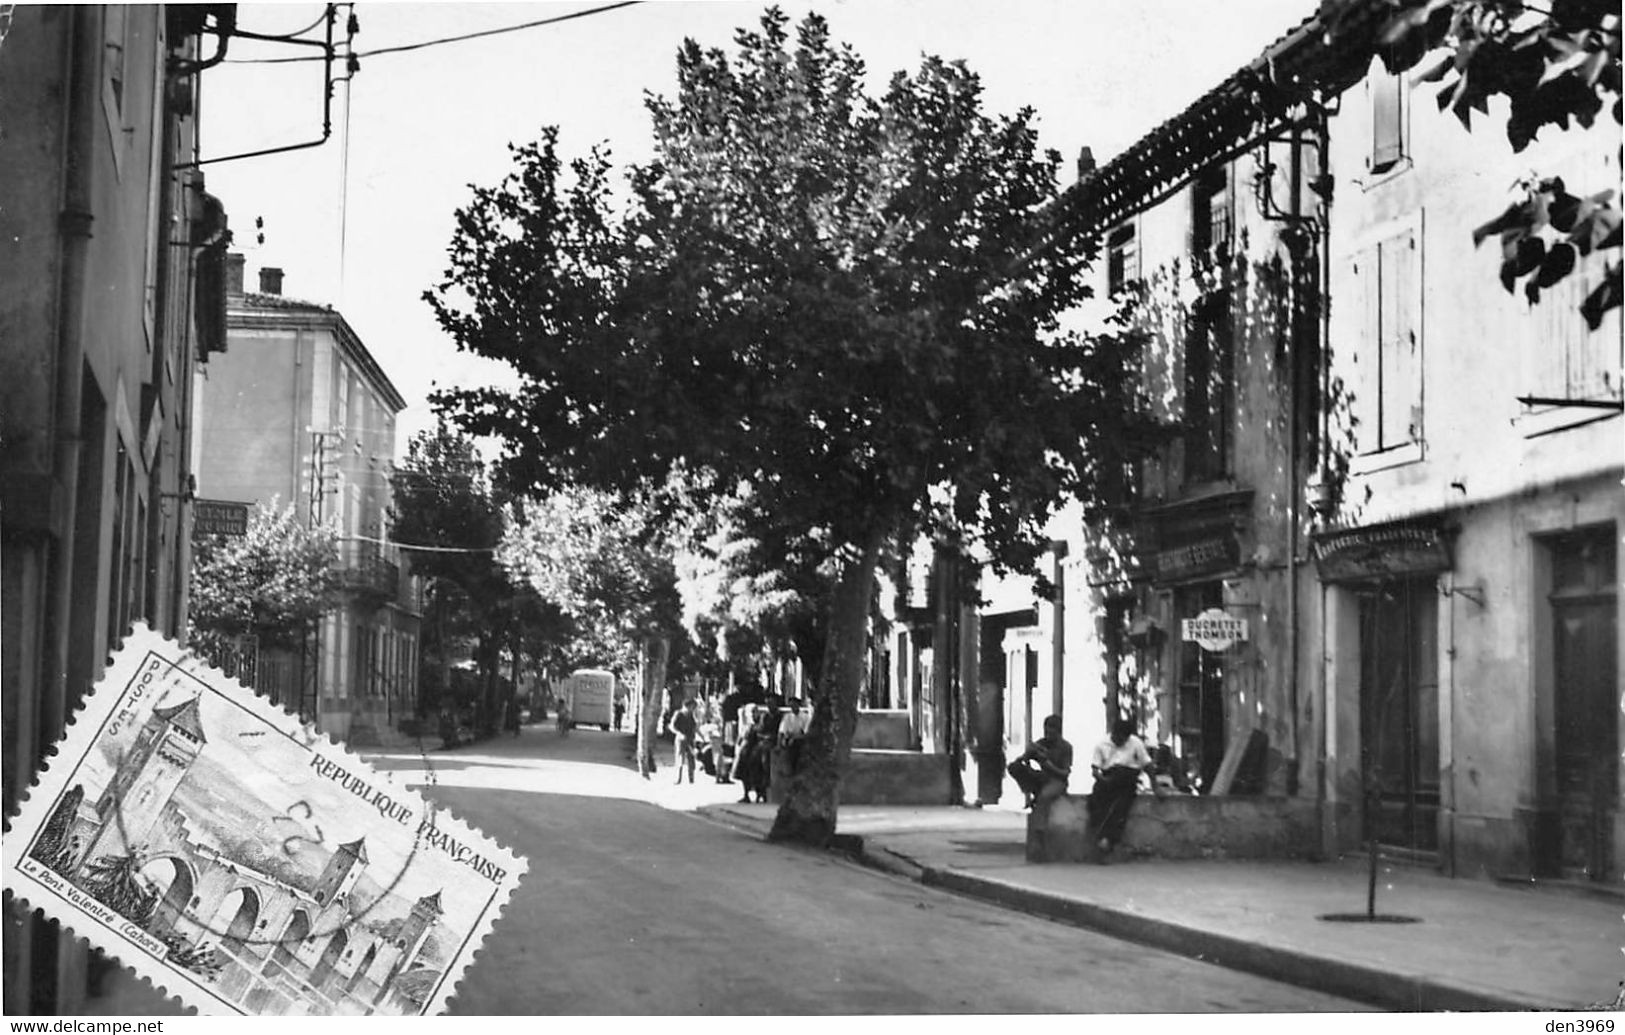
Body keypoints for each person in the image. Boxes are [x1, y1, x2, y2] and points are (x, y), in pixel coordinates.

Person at [1089, 717, 1152, 858]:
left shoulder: (1135, 743)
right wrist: (1103, 779)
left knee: (1121, 808)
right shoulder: (1101, 745)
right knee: (1097, 803)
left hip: (1127, 779)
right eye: (1119, 738)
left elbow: (1147, 764)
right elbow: (1095, 769)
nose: (1121, 741)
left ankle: (1108, 840)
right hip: (1108, 777)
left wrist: (1155, 786)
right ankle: (1101, 838)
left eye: (1124, 739)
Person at [1007, 715, 1073, 815]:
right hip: (1042, 777)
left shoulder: (1066, 747)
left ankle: (1039, 804)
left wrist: (1048, 764)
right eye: (1046, 732)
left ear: (1058, 731)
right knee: (1014, 767)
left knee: (1045, 796)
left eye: (1051, 733)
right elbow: (1020, 761)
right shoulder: (1042, 743)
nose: (1048, 735)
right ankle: (1033, 791)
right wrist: (1027, 755)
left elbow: (1065, 774)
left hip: (1058, 781)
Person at [669, 698, 699, 784]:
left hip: (690, 739)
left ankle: (691, 778)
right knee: (680, 758)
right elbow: (672, 726)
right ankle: (678, 778)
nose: (693, 709)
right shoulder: (678, 714)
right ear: (687, 706)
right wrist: (679, 734)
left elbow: (694, 727)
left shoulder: (691, 715)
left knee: (691, 759)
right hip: (681, 740)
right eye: (692, 707)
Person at [777, 697, 810, 773]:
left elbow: (806, 733)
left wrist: (795, 738)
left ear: (798, 705)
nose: (793, 708)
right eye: (791, 706)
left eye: (795, 705)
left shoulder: (805, 717)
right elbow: (782, 731)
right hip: (789, 739)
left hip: (800, 739)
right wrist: (779, 743)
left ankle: (794, 769)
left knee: (794, 745)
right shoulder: (787, 717)